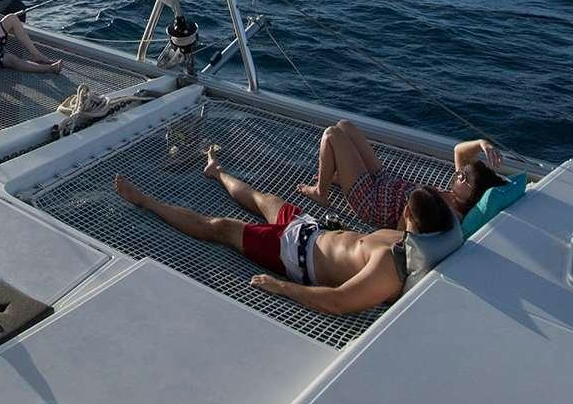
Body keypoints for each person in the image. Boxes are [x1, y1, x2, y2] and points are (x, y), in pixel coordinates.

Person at [113, 150, 458, 317]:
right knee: (262, 198)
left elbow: (338, 301)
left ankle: (143, 200)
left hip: (294, 253)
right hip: (312, 229)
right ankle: (216, 172)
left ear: (408, 214)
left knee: (219, 228)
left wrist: (280, 287)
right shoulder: (401, 239)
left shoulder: (389, 265)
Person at [296, 119, 510, 229]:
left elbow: (406, 233)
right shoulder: (459, 194)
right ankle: (341, 177)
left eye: (464, 178)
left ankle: (320, 192)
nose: (459, 174)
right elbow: (459, 152)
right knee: (345, 126)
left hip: (372, 202)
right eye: (462, 173)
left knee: (332, 135)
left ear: (474, 196)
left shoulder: (452, 214)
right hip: (385, 180)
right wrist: (482, 143)